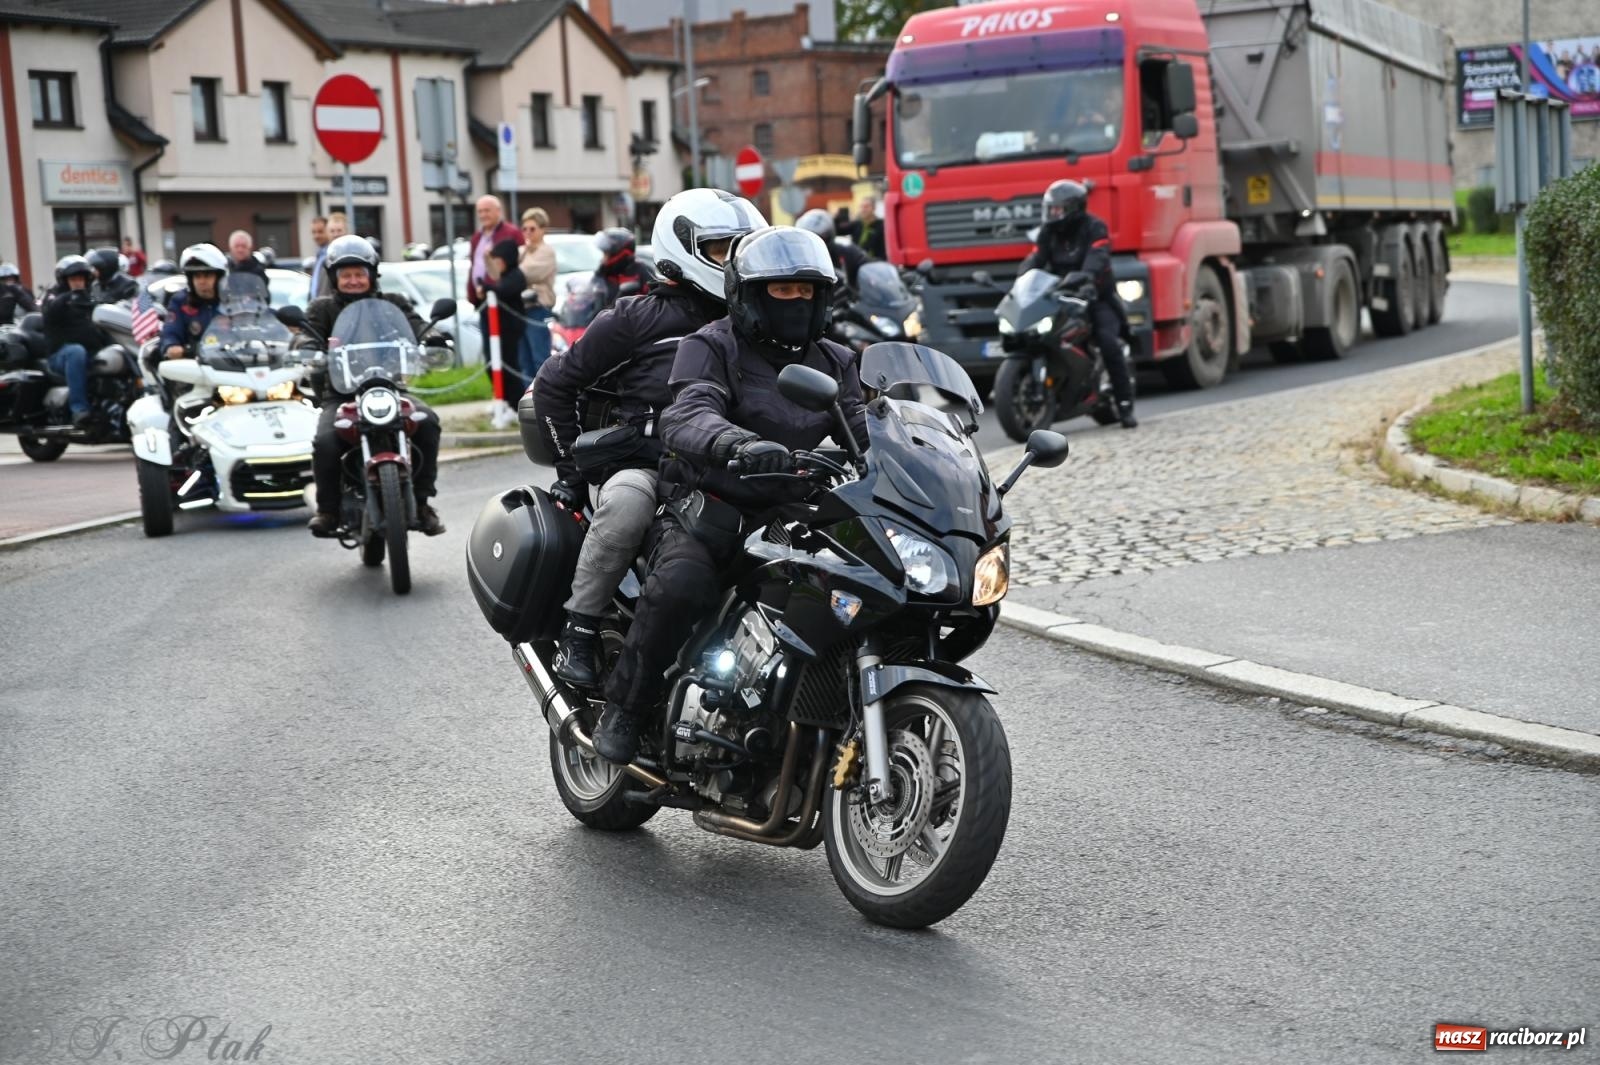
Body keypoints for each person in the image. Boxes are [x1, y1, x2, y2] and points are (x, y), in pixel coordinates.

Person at [591, 225, 867, 764]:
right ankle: (627, 706)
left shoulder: (835, 360)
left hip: (796, 511)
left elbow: (865, 424)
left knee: (851, 595)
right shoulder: (712, 345)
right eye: (781, 291)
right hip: (715, 509)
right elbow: (689, 410)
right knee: (680, 586)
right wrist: (734, 442)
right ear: (749, 294)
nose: (795, 301)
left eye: (805, 290)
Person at [534, 188, 767, 689]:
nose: (736, 261)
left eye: (744, 247)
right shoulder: (636, 319)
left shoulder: (758, 318)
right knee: (624, 505)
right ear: (682, 248)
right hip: (651, 467)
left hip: (735, 464)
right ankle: (581, 629)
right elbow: (554, 384)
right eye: (724, 248)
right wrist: (572, 475)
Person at [303, 235, 445, 539]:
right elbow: (308, 336)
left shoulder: (393, 302)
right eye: (346, 275)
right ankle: (328, 510)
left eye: (359, 274)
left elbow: (415, 324)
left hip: (390, 390)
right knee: (325, 441)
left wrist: (432, 337)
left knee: (428, 422)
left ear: (372, 274)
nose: (353, 280)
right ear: (334, 278)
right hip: (341, 395)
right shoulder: (322, 309)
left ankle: (421, 503)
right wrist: (306, 348)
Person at [1018, 178, 1137, 428]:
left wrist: (1086, 277)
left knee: (1108, 342)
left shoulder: (1094, 227)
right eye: (1050, 209)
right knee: (1038, 335)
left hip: (1095, 296)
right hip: (1059, 295)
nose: (1053, 214)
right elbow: (1036, 259)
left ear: (1074, 208)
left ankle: (1125, 404)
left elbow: (1098, 256)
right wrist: (1023, 278)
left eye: (1058, 209)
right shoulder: (1047, 232)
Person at [41, 256, 105, 427]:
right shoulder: (55, 298)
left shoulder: (91, 299)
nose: (78, 283)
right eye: (73, 279)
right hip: (60, 356)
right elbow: (49, 312)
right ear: (65, 281)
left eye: (81, 279)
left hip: (91, 352)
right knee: (76, 351)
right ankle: (79, 409)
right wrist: (68, 298)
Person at [158, 244, 227, 360]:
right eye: (197, 276)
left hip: (232, 365)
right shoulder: (180, 302)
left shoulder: (231, 302)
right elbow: (170, 332)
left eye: (207, 275)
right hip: (194, 368)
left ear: (219, 277)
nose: (202, 281)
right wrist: (171, 345)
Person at [517, 207, 559, 383]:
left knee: (539, 358)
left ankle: (543, 399)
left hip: (538, 308)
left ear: (543, 229)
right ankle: (528, 401)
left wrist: (513, 274)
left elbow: (528, 273)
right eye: (524, 229)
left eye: (532, 229)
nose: (528, 233)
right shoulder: (523, 250)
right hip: (520, 308)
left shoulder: (546, 251)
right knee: (524, 361)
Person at [481, 239, 526, 382]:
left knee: (511, 367)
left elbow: (503, 290)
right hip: (501, 330)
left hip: (510, 330)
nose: (496, 264)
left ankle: (514, 400)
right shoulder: (505, 276)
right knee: (494, 364)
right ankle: (504, 397)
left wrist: (485, 288)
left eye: (498, 260)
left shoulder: (516, 276)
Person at [467, 195, 522, 309]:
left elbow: (519, 263)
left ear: (498, 211)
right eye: (480, 211)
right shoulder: (476, 237)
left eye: (487, 210)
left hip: (503, 299)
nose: (483, 215)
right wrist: (471, 293)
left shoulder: (511, 233)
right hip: (481, 299)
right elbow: (473, 265)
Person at [795, 208, 867, 291]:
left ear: (829, 235)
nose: (815, 245)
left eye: (821, 239)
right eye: (808, 240)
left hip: (843, 300)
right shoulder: (796, 260)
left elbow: (866, 263)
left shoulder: (844, 249)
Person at [593, 228, 645, 306]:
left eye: (606, 254)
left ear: (619, 253)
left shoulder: (638, 271)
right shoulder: (603, 272)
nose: (603, 259)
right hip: (601, 317)